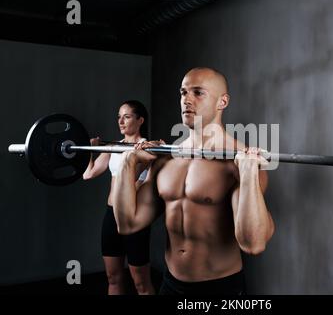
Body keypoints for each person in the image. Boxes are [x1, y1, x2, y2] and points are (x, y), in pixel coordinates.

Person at [113, 68, 275, 295]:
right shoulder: (166, 158)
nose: (186, 100)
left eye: (198, 93)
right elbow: (127, 223)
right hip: (170, 284)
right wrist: (127, 165)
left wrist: (248, 176)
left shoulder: (239, 163)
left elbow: (254, 244)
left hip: (220, 288)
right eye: (183, 92)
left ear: (223, 101)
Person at [82, 100, 154, 295]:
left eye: (127, 116)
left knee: (141, 283)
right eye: (119, 117)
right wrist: (92, 150)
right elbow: (88, 174)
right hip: (111, 216)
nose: (121, 121)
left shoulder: (148, 148)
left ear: (140, 120)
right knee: (113, 278)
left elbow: (131, 178)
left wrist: (138, 153)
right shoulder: (113, 146)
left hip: (134, 217)